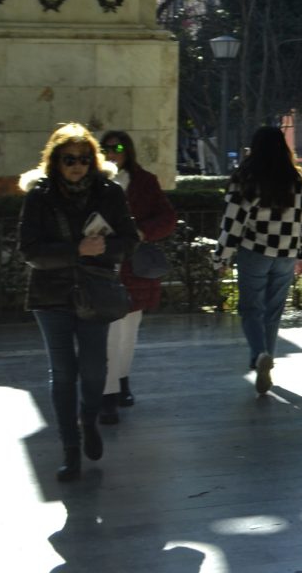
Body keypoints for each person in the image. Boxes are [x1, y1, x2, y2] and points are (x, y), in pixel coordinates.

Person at [19, 123, 137, 483]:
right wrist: (76, 250)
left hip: (95, 291)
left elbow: (129, 240)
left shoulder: (109, 193)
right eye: (69, 159)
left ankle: (88, 419)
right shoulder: (39, 195)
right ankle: (70, 448)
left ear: (93, 160)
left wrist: (104, 247)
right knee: (63, 373)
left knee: (94, 369)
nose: (77, 166)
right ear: (55, 161)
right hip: (50, 294)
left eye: (84, 159)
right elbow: (29, 251)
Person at [218, 125, 302, 396]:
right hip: (286, 254)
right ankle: (267, 361)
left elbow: (233, 221)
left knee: (251, 309)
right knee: (273, 311)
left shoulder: (245, 179)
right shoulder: (296, 179)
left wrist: (222, 257)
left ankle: (259, 355)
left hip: (255, 252)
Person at [98, 129, 178, 424]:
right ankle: (108, 393)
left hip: (134, 267)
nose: (112, 152)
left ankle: (121, 381)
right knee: (110, 331)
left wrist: (143, 232)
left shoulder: (144, 181)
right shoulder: (95, 181)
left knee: (128, 331)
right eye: (105, 148)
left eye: (118, 147)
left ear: (128, 150)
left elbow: (167, 218)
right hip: (103, 264)